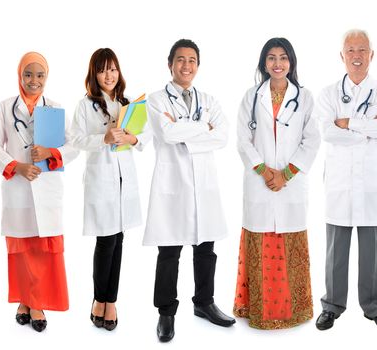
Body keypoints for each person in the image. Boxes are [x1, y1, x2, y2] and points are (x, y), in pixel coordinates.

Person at [144, 38, 235, 342]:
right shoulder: (156, 100)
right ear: (170, 64)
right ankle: (166, 313)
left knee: (205, 248)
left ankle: (204, 303)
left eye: (192, 60)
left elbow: (222, 136)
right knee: (169, 252)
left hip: (203, 183)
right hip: (173, 184)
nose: (186, 66)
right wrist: (203, 128)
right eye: (180, 60)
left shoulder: (208, 100)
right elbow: (167, 134)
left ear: (198, 65)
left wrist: (188, 129)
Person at [0, 52, 78, 333]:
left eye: (40, 75)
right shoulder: (5, 108)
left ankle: (35, 302)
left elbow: (73, 146)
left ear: (46, 77)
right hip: (18, 189)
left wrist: (51, 152)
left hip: (47, 190)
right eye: (28, 74)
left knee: (41, 249)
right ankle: (25, 301)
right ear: (19, 75)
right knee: (21, 249)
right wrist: (16, 166)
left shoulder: (56, 109)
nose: (34, 81)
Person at [233, 37, 320, 330]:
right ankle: (257, 309)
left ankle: (294, 310)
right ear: (263, 63)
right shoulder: (251, 96)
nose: (278, 63)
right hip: (260, 182)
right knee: (260, 239)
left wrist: (286, 174)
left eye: (283, 57)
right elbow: (243, 139)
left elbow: (312, 140)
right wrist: (264, 170)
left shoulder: (305, 98)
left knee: (289, 240)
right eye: (271, 58)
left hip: (290, 184)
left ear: (291, 62)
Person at [314, 29, 377, 332]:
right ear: (342, 56)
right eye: (350, 50)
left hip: (373, 183)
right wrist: (366, 128)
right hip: (340, 183)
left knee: (373, 250)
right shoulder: (328, 94)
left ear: (372, 55)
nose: (357, 56)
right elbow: (327, 132)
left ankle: (374, 307)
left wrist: (348, 123)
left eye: (362, 50)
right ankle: (333, 305)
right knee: (336, 248)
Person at [71, 48, 150, 331]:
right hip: (101, 180)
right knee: (105, 241)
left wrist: (132, 137)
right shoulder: (86, 105)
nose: (109, 75)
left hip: (123, 180)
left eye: (113, 68)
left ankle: (112, 301)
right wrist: (102, 138)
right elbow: (75, 139)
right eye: (103, 69)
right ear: (94, 74)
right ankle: (98, 300)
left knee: (118, 240)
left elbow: (144, 138)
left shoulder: (129, 104)